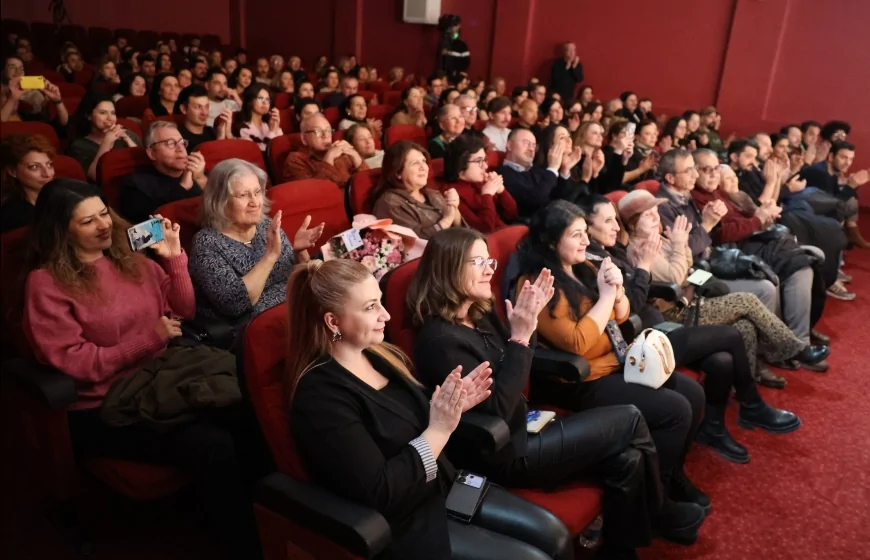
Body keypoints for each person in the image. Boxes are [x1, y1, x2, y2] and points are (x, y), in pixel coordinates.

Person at [411, 227, 699, 557]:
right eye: (478, 261)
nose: (490, 268)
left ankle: (620, 550)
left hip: (526, 425)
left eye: (489, 259)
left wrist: (528, 325)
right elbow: (498, 412)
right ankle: (659, 509)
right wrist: (520, 336)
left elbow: (520, 365)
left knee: (628, 459)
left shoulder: (477, 313)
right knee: (631, 418)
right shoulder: (439, 342)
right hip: (504, 452)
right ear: (448, 269)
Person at [22, 179, 259, 558]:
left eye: (104, 214)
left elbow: (182, 312)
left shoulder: (129, 259)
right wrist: (147, 341)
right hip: (104, 405)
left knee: (245, 405)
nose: (102, 226)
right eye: (87, 222)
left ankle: (272, 517)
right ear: (61, 228)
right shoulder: (46, 283)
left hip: (163, 375)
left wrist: (174, 258)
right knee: (211, 444)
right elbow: (74, 362)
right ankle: (244, 544)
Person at [287, 256, 574, 560]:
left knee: (555, 535)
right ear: (333, 322)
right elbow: (381, 491)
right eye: (370, 307)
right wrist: (439, 428)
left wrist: (455, 406)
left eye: (380, 302)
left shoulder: (381, 355)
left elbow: (421, 417)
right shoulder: (319, 396)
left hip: (447, 487)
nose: (385, 315)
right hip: (407, 522)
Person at [519, 199, 801, 483]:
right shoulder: (538, 283)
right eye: (576, 235)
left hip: (617, 357)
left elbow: (623, 312)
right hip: (585, 379)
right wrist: (607, 297)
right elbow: (578, 343)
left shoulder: (585, 267)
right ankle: (661, 490)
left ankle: (674, 474)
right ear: (552, 242)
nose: (584, 241)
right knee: (677, 408)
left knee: (694, 392)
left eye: (584, 233)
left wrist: (616, 294)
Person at [618, 189, 829, 383]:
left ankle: (748, 387)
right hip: (676, 313)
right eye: (648, 214)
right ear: (633, 223)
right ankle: (795, 349)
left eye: (656, 211)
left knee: (744, 327)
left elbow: (688, 265)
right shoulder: (640, 249)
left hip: (691, 299)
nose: (656, 217)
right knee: (746, 300)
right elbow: (676, 276)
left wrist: (678, 246)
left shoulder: (658, 237)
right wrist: (680, 244)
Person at [189, 159, 323, 330]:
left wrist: (300, 252)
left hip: (296, 310)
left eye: (257, 192)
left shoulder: (265, 225)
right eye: (243, 195)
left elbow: (295, 277)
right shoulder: (206, 244)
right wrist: (270, 257)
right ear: (219, 200)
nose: (254, 202)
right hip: (252, 330)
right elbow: (235, 305)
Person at [654, 149, 779, 314]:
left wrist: (710, 217)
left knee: (767, 277)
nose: (695, 175)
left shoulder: (685, 195)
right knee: (765, 288)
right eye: (689, 170)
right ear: (670, 178)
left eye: (694, 168)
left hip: (709, 263)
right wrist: (707, 224)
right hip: (694, 277)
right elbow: (686, 252)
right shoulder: (664, 207)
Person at [369, 141, 461, 239]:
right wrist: (447, 220)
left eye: (424, 161)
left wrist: (453, 207)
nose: (423, 167)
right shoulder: (390, 203)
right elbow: (416, 242)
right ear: (397, 173)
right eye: (415, 163)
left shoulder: (433, 193)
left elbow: (460, 228)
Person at [119, 122, 206, 224]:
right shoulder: (136, 185)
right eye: (171, 143)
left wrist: (201, 179)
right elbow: (151, 227)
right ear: (152, 153)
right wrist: (183, 187)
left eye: (182, 143)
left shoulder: (199, 175)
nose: (180, 149)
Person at [496, 128, 580, 219]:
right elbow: (536, 200)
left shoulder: (538, 170)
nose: (531, 149)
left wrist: (565, 170)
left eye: (533, 145)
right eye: (526, 143)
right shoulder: (503, 173)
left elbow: (563, 201)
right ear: (509, 145)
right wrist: (553, 168)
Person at [442, 135, 517, 233]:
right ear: (460, 165)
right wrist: (487, 195)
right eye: (479, 161)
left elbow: (512, 215)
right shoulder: (451, 193)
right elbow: (484, 230)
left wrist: (501, 190)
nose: (485, 166)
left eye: (485, 160)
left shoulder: (479, 182)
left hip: (506, 232)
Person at [67, 94, 140, 182]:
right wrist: (106, 143)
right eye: (103, 113)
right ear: (89, 116)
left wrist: (128, 140)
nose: (110, 118)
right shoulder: (79, 145)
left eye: (113, 113)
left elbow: (145, 164)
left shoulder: (127, 134)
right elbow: (93, 176)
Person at [283, 113, 366, 186]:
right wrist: (329, 158)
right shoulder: (295, 160)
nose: (326, 135)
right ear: (304, 138)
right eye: (318, 131)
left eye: (328, 130)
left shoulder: (342, 153)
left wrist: (356, 156)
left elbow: (367, 182)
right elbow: (313, 194)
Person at [0, 134, 56, 233]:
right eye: (34, 167)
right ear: (12, 171)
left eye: (49, 165)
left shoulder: (63, 197)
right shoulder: (11, 216)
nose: (47, 174)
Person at [176, 84, 232, 153]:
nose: (204, 112)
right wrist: (219, 141)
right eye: (198, 107)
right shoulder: (177, 137)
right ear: (183, 109)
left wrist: (228, 133)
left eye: (207, 106)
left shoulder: (213, 132)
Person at [234, 86, 282, 152]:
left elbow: (280, 147)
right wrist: (272, 131)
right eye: (260, 98)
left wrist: (276, 127)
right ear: (250, 101)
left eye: (267, 99)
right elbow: (259, 152)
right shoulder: (242, 128)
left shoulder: (267, 124)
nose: (265, 103)